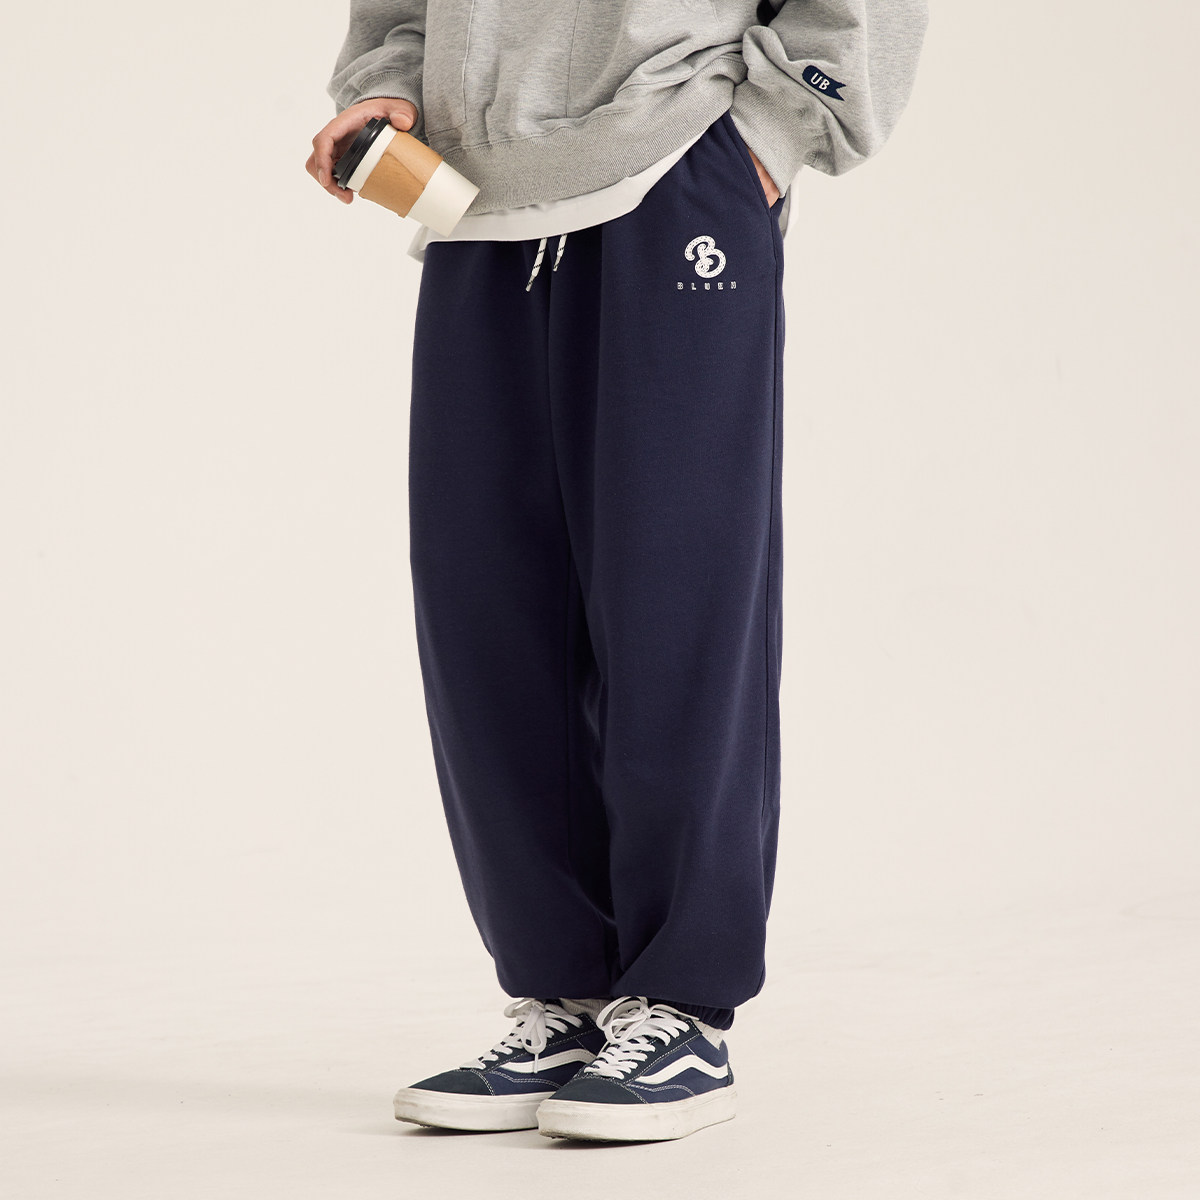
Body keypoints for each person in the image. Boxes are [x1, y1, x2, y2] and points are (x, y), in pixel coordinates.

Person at [308, 0, 929, 1143]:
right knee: (485, 606)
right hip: (473, 199)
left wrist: (777, 128)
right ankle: (565, 996)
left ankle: (683, 1008)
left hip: (674, 166)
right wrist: (389, 78)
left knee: (676, 599)